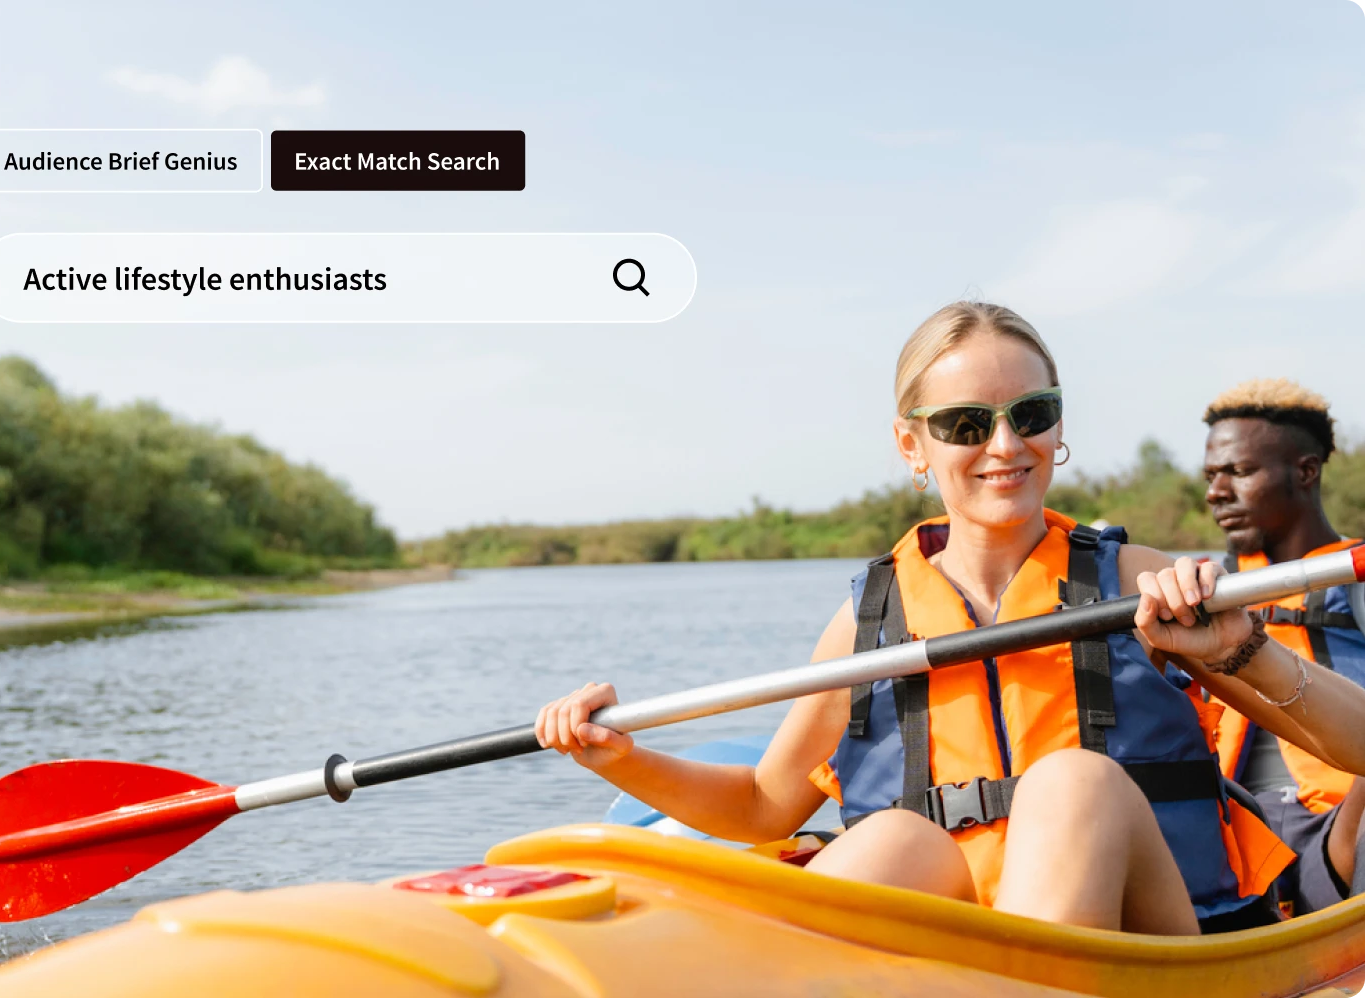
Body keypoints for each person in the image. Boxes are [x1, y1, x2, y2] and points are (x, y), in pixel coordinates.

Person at [536, 302, 1365, 935]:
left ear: (1057, 425)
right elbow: (760, 805)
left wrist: (1242, 648)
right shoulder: (871, 622)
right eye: (966, 424)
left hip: (1156, 948)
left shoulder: (1140, 582)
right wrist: (619, 758)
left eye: (1030, 414)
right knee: (896, 840)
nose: (1005, 445)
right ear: (913, 447)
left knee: (1071, 782)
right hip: (968, 950)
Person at [1202, 379, 1365, 916]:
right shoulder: (1200, 590)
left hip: (1339, 830)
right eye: (1211, 476)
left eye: (1239, 471)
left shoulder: (1356, 579)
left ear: (1306, 471)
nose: (1216, 492)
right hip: (1233, 834)